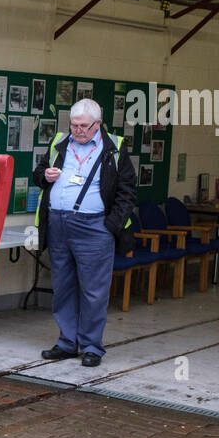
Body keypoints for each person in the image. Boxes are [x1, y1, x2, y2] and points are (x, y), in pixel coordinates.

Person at [31, 98, 137, 367]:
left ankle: (91, 346)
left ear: (98, 125)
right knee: (63, 286)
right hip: (58, 223)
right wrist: (45, 176)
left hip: (94, 227)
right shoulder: (60, 143)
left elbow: (127, 191)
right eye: (74, 125)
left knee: (93, 291)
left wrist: (110, 225)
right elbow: (37, 174)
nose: (77, 130)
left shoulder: (114, 148)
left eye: (83, 126)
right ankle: (67, 342)